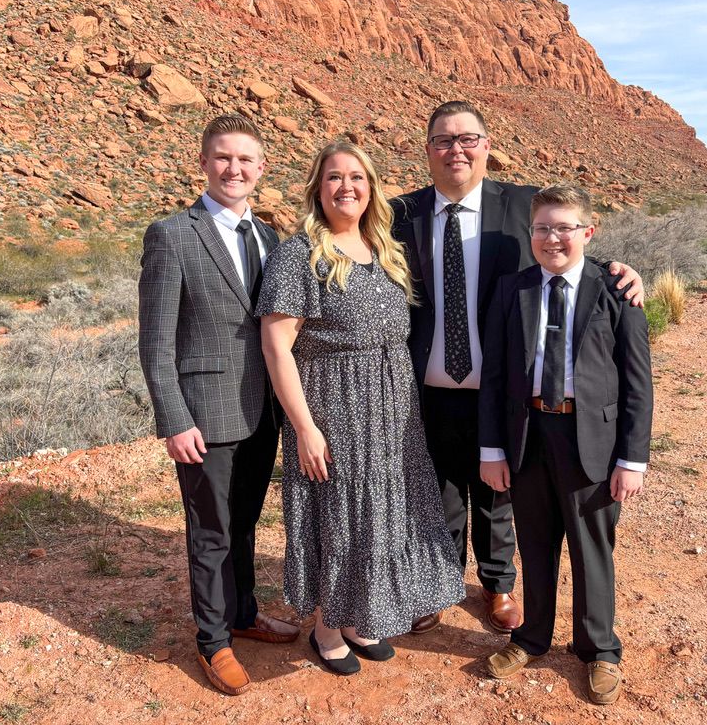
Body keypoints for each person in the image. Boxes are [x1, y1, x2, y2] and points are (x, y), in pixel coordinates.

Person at [390, 101, 644, 635]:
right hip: (427, 385)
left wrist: (619, 271)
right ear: (428, 149)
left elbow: (564, 246)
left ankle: (498, 584)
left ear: (486, 146)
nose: (455, 149)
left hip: (503, 384)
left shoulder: (522, 203)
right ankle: (436, 583)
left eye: (468, 138)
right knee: (435, 493)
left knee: (497, 492)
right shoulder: (398, 215)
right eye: (443, 139)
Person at [258, 141, 465, 676]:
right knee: (339, 515)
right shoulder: (297, 255)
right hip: (334, 405)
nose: (346, 186)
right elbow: (277, 347)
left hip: (392, 407)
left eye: (357, 177)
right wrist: (305, 429)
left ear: (371, 187)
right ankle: (328, 626)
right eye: (334, 178)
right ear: (317, 188)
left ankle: (357, 616)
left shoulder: (386, 249)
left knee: (380, 512)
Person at [138, 114, 299, 697]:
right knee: (211, 531)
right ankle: (213, 641)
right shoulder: (172, 234)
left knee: (247, 522)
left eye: (246, 160)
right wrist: (174, 419)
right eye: (223, 158)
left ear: (261, 169)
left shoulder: (269, 237)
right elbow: (155, 341)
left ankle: (243, 612)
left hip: (262, 411)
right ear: (204, 162)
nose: (235, 169)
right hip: (204, 414)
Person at [478, 184, 653, 705]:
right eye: (541, 228)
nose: (552, 238)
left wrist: (632, 459)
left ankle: (599, 648)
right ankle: (532, 636)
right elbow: (495, 378)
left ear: (587, 232)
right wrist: (491, 450)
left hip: (593, 441)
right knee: (534, 541)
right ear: (529, 232)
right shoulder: (514, 290)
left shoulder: (616, 289)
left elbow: (638, 384)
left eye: (564, 227)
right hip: (529, 434)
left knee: (591, 547)